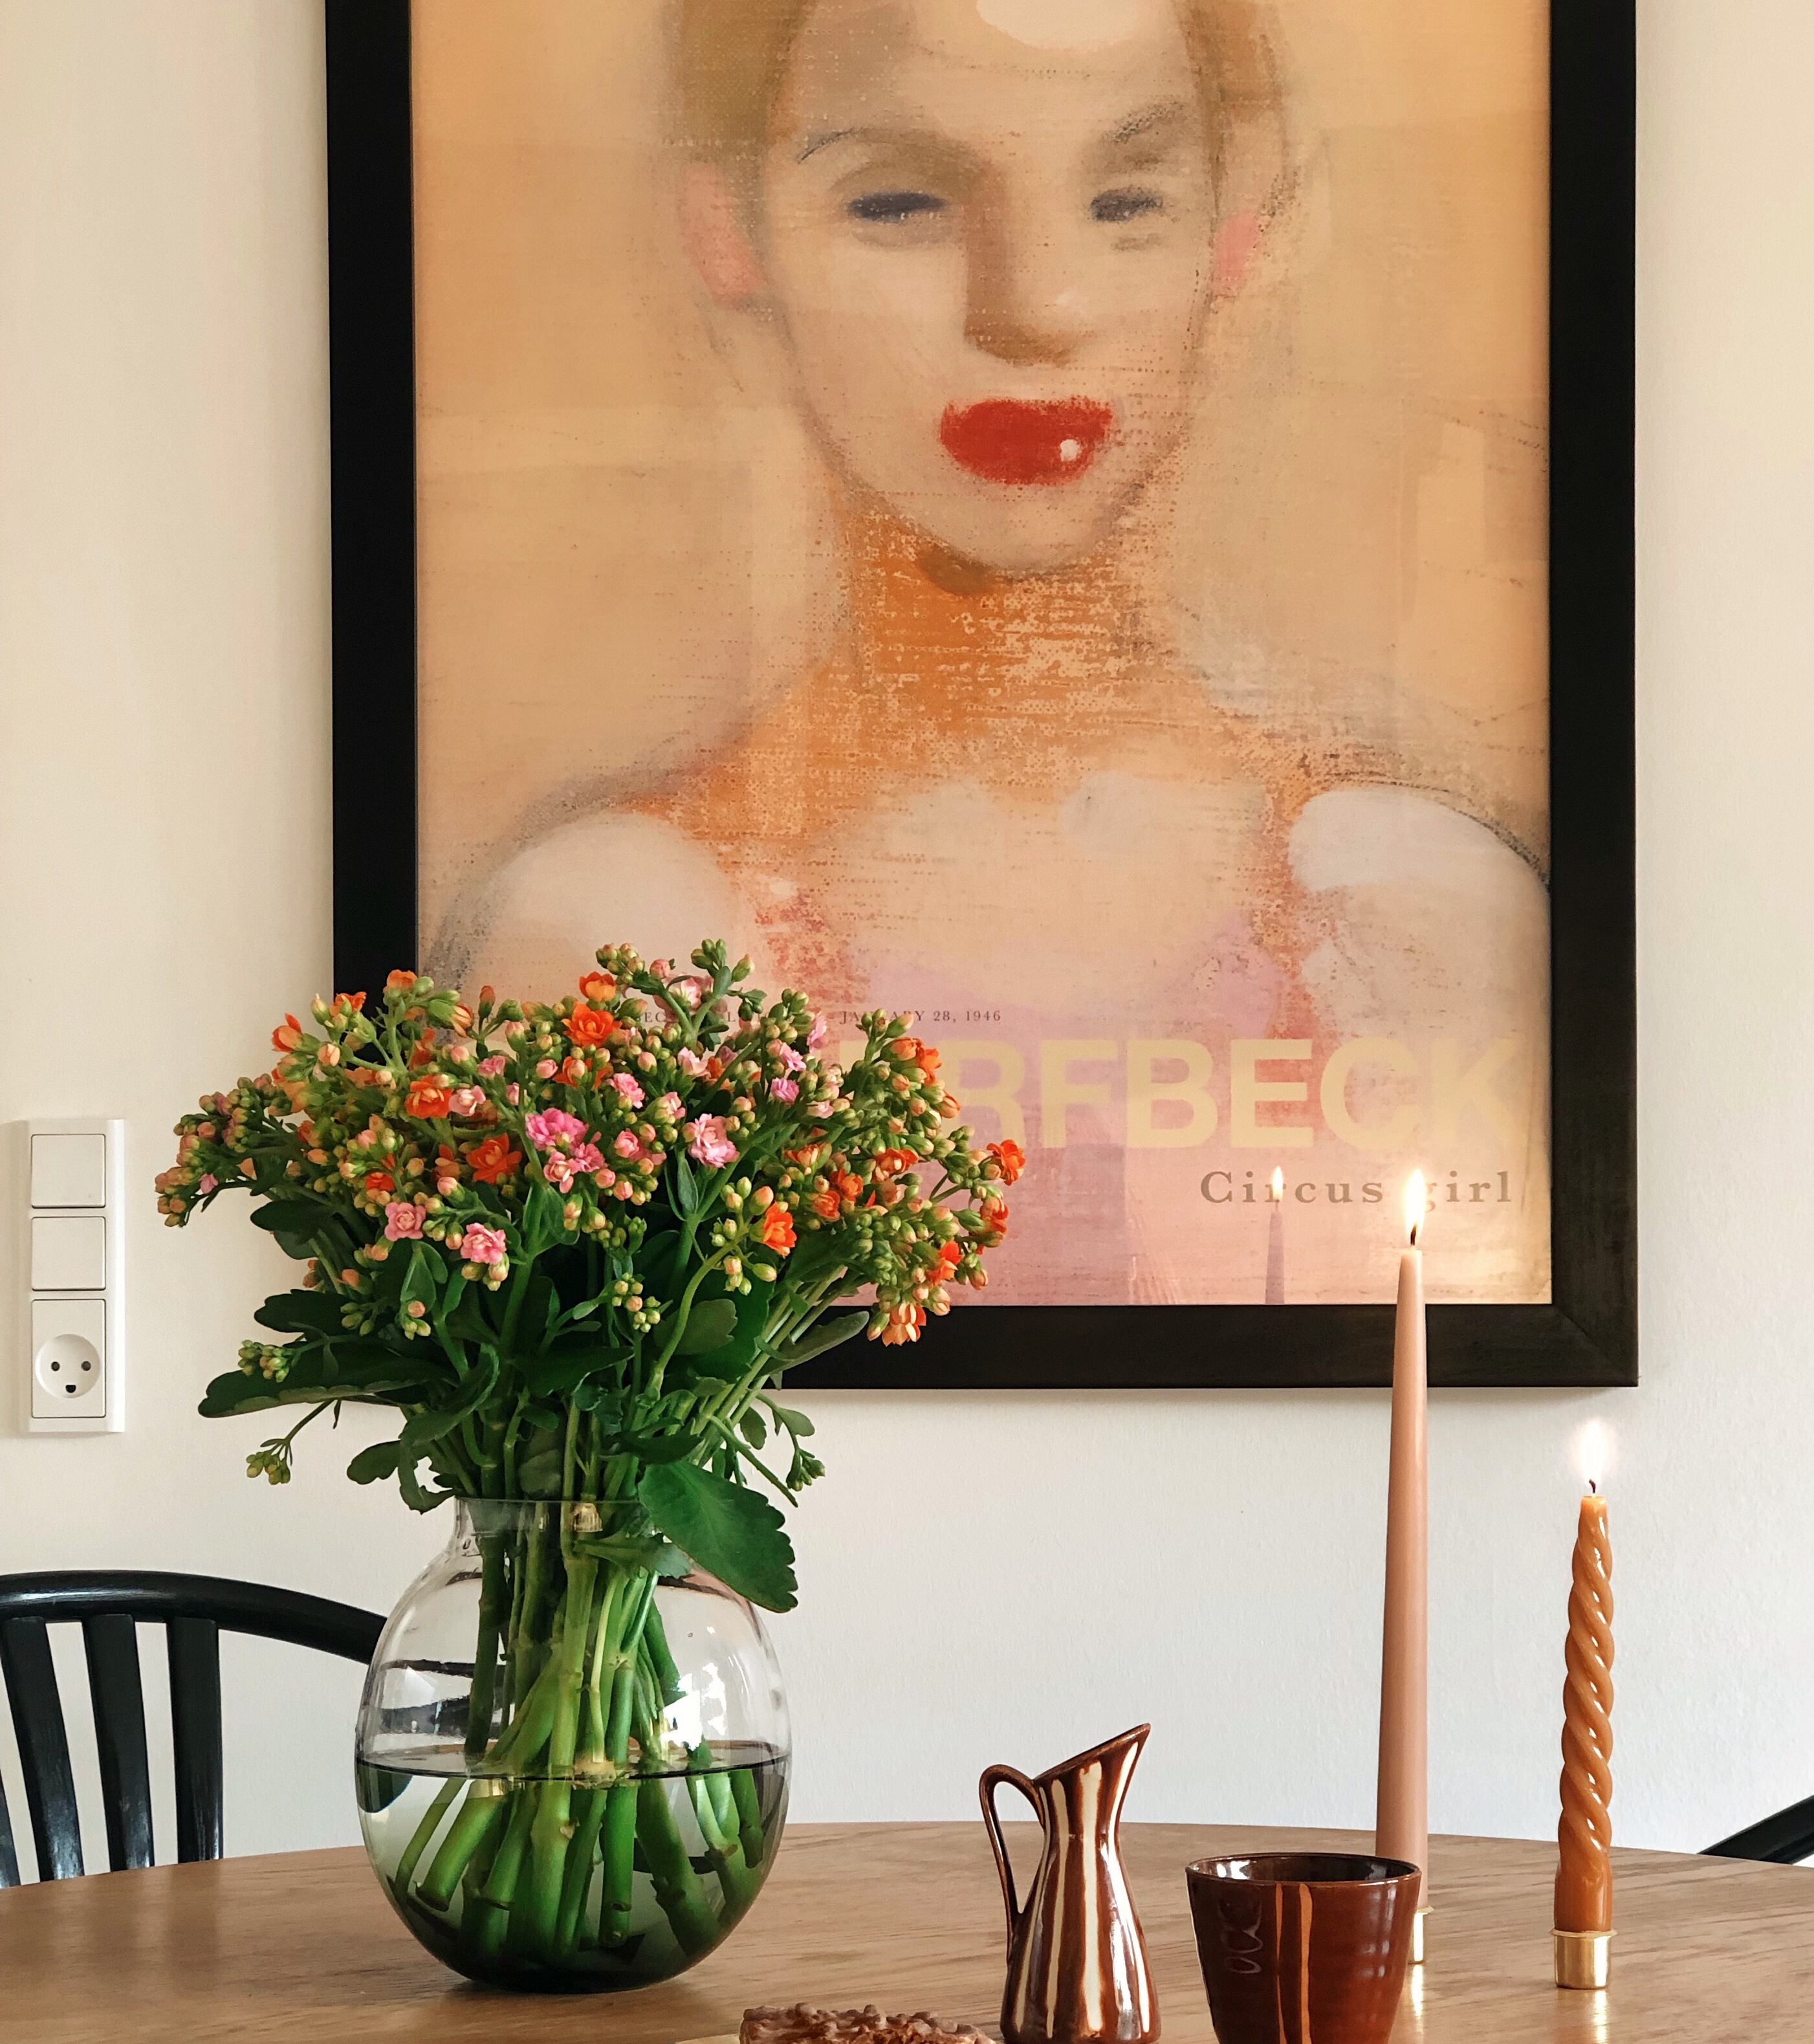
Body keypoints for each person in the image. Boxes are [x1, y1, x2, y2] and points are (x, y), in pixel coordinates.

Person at [445, 0, 1549, 1304]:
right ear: (730, 230)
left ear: (1234, 229)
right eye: (901, 203)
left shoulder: (1416, 912)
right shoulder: (613, 938)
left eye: (1126, 201)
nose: (1037, 307)